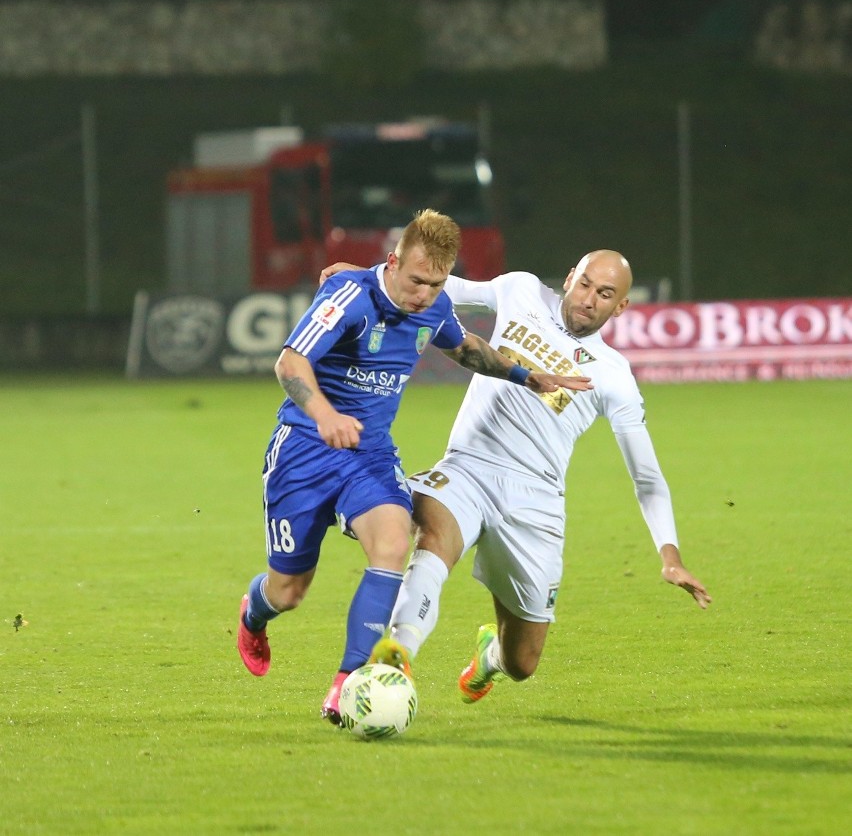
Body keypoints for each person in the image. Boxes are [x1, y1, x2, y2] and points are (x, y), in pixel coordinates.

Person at [236, 209, 591, 724]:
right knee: (289, 591)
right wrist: (325, 414)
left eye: (436, 283)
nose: (424, 294)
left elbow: (466, 349)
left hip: (371, 455)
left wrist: (526, 376)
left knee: (394, 542)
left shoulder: (435, 306)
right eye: (416, 280)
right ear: (393, 262)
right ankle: (254, 612)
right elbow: (289, 363)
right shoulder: (349, 296)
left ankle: (349, 683)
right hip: (304, 450)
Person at [323, 249, 711, 705]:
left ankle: (491, 658)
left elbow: (646, 477)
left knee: (523, 662)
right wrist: (374, 274)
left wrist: (670, 555)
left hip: (535, 501)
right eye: (585, 283)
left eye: (605, 294)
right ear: (570, 277)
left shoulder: (614, 376)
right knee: (433, 540)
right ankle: (396, 659)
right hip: (468, 466)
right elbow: (444, 285)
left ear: (620, 306)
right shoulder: (521, 289)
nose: (589, 299)